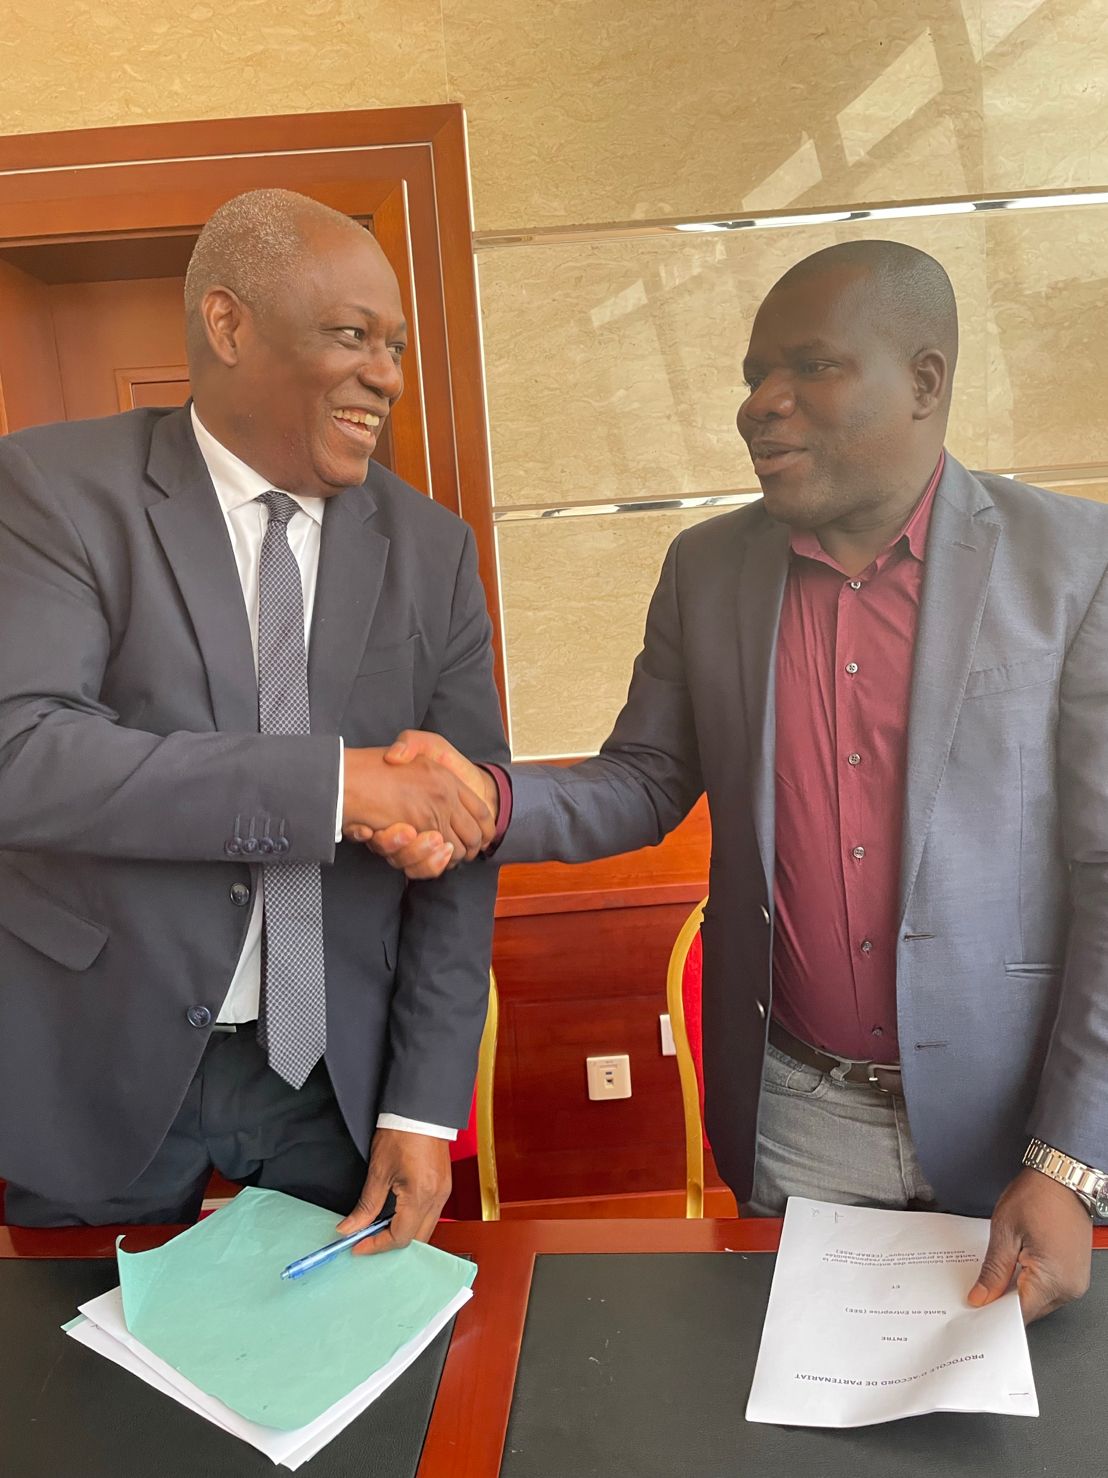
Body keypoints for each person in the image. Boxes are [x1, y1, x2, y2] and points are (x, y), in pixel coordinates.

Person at [363, 240, 1108, 1318]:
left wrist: (1068, 1160)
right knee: (805, 1394)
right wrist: (488, 802)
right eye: (755, 375)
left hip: (1021, 1118)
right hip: (798, 1113)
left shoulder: (1076, 563)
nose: (761, 404)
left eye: (810, 366)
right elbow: (645, 779)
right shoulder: (706, 571)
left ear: (925, 380)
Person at [0, 188, 507, 1254]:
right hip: (98, 1063)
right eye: (352, 335)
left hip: (335, 1079)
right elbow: (24, 753)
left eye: (395, 347)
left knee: (346, 1351)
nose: (387, 375)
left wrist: (423, 1109)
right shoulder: (51, 489)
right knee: (84, 1360)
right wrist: (336, 785)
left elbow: (460, 848)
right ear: (229, 326)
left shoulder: (434, 550)